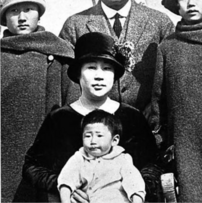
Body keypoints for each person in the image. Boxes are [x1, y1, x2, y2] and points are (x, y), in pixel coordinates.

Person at [23, 32, 161, 203]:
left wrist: (130, 189)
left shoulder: (132, 117)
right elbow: (32, 166)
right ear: (78, 74)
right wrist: (65, 187)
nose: (99, 76)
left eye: (107, 68)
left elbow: (152, 164)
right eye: (91, 67)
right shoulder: (59, 118)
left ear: (115, 76)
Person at [59, 0, 175, 120]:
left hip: (150, 133)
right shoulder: (74, 26)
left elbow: (172, 82)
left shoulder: (160, 23)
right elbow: (69, 86)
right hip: (94, 133)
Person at [1, 0, 75, 202]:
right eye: (13, 11)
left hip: (51, 150)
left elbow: (72, 104)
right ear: (4, 18)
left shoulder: (59, 52)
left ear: (39, 14)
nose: (22, 17)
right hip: (6, 152)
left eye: (28, 10)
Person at [150, 0, 202, 202]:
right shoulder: (168, 47)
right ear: (176, 6)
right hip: (187, 144)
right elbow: (159, 101)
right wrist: (164, 143)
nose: (191, 3)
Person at [58, 109, 146, 203]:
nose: (93, 141)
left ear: (114, 140)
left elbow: (134, 182)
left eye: (99, 136)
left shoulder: (122, 159)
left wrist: (137, 200)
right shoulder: (79, 158)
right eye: (88, 136)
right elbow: (66, 180)